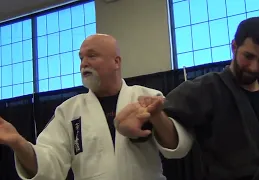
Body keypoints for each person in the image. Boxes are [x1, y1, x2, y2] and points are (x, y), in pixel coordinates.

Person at [116, 17, 259, 179]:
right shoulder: (205, 88)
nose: (255, 67)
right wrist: (144, 122)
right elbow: (163, 124)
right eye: (248, 56)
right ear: (234, 47)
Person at [0, 34, 191, 180]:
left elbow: (176, 147)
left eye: (92, 56)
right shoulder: (68, 111)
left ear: (116, 62)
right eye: (81, 58)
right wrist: (19, 144)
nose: (84, 64)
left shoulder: (147, 96)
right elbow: (49, 165)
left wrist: (156, 116)